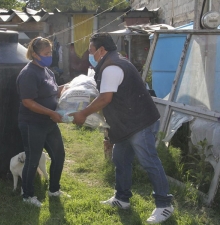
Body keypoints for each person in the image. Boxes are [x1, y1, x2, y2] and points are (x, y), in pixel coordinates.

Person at [70, 32, 174, 224]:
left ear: (102, 50)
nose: (89, 55)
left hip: (139, 122)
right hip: (127, 123)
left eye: (91, 51)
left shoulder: (112, 67)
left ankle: (164, 204)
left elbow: (104, 98)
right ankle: (122, 198)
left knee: (149, 161)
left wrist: (83, 113)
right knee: (121, 159)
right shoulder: (112, 63)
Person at [16, 37, 66, 207]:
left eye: (50, 52)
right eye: (46, 53)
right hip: (32, 123)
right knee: (33, 159)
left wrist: (68, 89)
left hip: (49, 123)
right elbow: (28, 102)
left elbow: (53, 91)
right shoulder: (28, 74)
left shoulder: (48, 71)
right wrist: (51, 112)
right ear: (35, 55)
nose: (49, 56)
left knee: (59, 155)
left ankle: (54, 190)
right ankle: (28, 195)